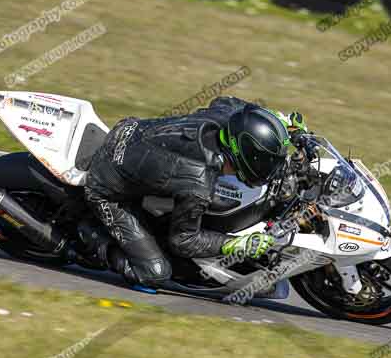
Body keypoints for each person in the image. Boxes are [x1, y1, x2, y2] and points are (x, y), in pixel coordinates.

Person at [79, 97, 307, 291]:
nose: (270, 167)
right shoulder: (197, 183)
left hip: (130, 129)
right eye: (266, 161)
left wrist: (279, 122)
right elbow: (182, 240)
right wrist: (235, 245)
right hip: (105, 188)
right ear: (248, 157)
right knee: (154, 273)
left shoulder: (228, 117)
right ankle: (89, 234)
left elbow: (227, 101)